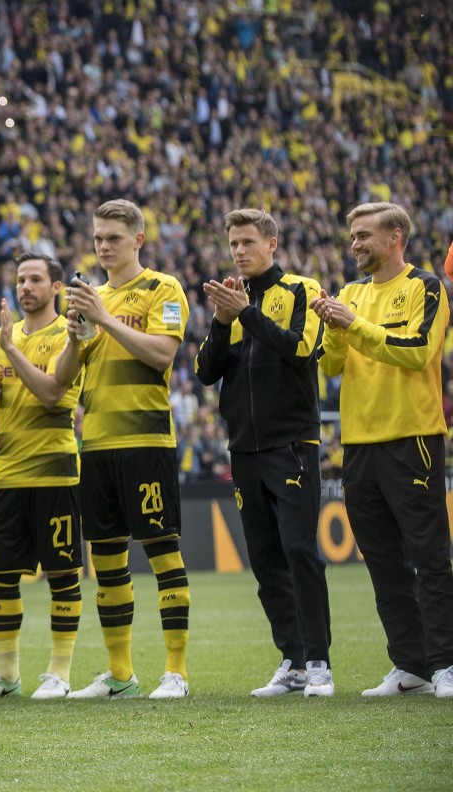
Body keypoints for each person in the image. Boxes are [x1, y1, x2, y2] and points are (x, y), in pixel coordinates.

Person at [310, 202, 453, 698]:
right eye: (352, 236)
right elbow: (330, 368)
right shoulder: (349, 293)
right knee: (383, 561)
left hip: (413, 438)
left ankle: (446, 663)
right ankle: (409, 664)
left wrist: (355, 325)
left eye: (365, 235)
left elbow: (416, 351)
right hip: (360, 446)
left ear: (396, 237)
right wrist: (332, 327)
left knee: (429, 555)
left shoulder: (427, 287)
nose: (355, 244)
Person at [54, 198, 192, 700]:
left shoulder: (162, 288)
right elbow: (63, 380)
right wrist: (74, 336)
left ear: (138, 240)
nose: (103, 247)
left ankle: (175, 672)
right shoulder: (92, 300)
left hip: (146, 440)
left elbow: (162, 355)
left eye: (113, 238)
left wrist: (104, 317)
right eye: (97, 239)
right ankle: (120, 674)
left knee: (162, 552)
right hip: (97, 444)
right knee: (107, 560)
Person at [195, 209, 333, 697]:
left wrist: (246, 315)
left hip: (291, 442)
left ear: (272, 244)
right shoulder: (232, 305)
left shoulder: (301, 289)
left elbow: (300, 350)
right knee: (266, 558)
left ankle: (319, 661)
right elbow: (205, 373)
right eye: (233, 243)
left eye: (248, 241)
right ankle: (292, 661)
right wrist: (220, 320)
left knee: (299, 550)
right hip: (244, 449)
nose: (238, 251)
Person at [0, 252, 84, 700]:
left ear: (56, 287)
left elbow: (52, 393)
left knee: (62, 573)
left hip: (55, 472)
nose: (25, 286)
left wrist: (10, 347)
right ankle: (6, 675)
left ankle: (59, 673)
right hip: (9, 474)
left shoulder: (68, 334)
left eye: (35, 279)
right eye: (20, 279)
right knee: (3, 575)